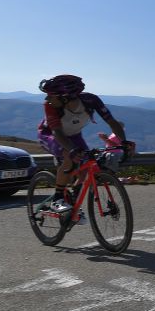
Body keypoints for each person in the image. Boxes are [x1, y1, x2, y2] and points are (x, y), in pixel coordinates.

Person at [37, 75, 129, 215]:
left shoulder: (90, 100)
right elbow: (57, 132)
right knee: (69, 157)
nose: (47, 99)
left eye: (51, 96)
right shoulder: (50, 106)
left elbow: (112, 122)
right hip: (50, 135)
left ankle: (73, 202)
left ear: (65, 97)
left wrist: (124, 142)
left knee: (86, 168)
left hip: (74, 136)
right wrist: (72, 150)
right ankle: (58, 199)